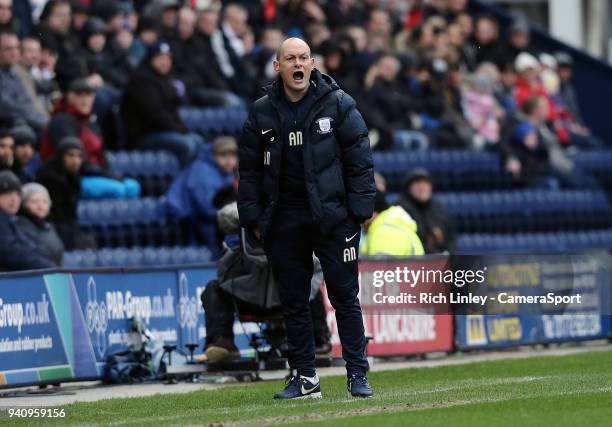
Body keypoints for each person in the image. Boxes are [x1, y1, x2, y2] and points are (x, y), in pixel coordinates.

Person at [238, 37, 375, 399]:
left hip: (333, 218)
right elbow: (248, 170)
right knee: (294, 301)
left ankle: (357, 373)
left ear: (312, 63)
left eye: (303, 58)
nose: (298, 64)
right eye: (290, 58)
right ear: (277, 66)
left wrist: (359, 211)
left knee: (345, 296)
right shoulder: (262, 112)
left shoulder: (340, 103)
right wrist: (252, 216)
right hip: (284, 219)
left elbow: (359, 158)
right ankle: (304, 377)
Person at [201, 201, 331, 363]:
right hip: (255, 299)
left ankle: (319, 341)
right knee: (213, 289)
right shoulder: (294, 225)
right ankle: (222, 343)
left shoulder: (291, 228)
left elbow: (223, 272)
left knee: (311, 286)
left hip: (287, 298)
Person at [42, 77, 140, 199]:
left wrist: (111, 174)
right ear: (69, 98)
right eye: (79, 95)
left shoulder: (91, 123)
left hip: (93, 174)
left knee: (133, 186)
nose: (84, 100)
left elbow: (101, 157)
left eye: (88, 95)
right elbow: (75, 160)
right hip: (70, 178)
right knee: (117, 189)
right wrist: (108, 176)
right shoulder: (62, 120)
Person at [121, 40, 204, 166]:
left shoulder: (165, 79)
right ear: (150, 59)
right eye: (160, 58)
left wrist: (182, 129)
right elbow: (155, 115)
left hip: (162, 131)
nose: (165, 62)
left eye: (167, 58)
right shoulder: (142, 80)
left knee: (198, 140)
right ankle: (182, 182)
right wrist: (180, 130)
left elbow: (173, 110)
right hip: (144, 135)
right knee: (186, 144)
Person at [165, 136, 237, 254]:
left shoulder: (227, 172)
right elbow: (206, 209)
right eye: (223, 155)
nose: (229, 161)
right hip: (194, 223)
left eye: (233, 155)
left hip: (213, 221)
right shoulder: (202, 171)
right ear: (213, 155)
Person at [0, 170, 57, 270]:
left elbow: (30, 248)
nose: (14, 199)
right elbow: (11, 251)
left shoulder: (12, 220)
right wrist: (48, 266)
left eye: (17, 194)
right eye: (8, 193)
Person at [36, 137, 85, 249]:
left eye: (79, 156)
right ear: (61, 156)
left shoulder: (75, 177)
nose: (75, 161)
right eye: (70, 155)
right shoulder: (48, 175)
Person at [398, 168, 456, 254]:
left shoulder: (438, 208)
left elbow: (451, 239)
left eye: (425, 183)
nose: (422, 187)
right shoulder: (400, 209)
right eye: (417, 184)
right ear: (408, 188)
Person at [0, 30, 48, 131]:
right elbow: (8, 108)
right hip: (11, 127)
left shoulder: (15, 75)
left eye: (16, 48)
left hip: (32, 122)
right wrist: (43, 123)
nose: (13, 53)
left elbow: (28, 103)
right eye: (8, 49)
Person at [360, 191, 424, 257]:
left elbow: (381, 266)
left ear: (372, 212)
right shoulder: (385, 227)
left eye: (359, 212)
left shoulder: (386, 233)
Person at [18, 182, 64, 265]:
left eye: (45, 201)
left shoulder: (49, 226)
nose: (40, 206)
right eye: (34, 201)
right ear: (23, 204)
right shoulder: (19, 227)